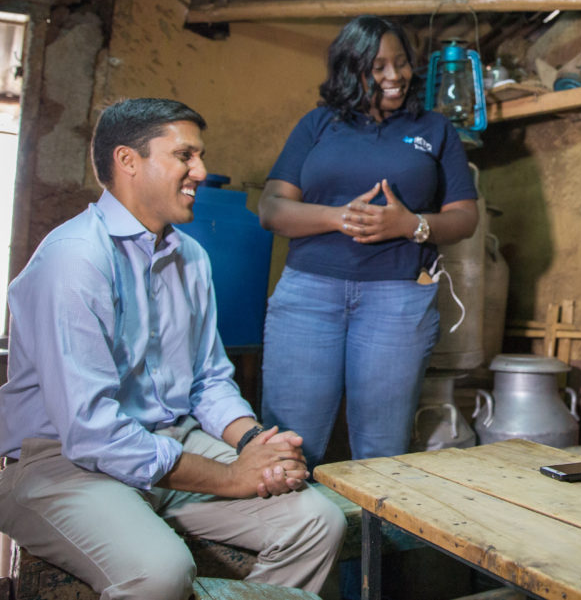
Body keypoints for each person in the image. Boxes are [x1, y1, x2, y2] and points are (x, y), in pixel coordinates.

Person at [0, 98, 346, 599]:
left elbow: (208, 380)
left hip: (168, 442)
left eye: (199, 156)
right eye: (185, 155)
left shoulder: (189, 256)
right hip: (64, 464)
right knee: (159, 570)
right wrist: (231, 477)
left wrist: (253, 445)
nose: (200, 171)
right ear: (128, 161)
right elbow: (92, 433)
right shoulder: (74, 260)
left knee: (319, 521)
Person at [258, 15, 479, 468]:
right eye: (378, 67)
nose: (394, 76)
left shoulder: (435, 129)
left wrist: (410, 225)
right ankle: (294, 537)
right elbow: (272, 209)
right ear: (350, 69)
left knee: (383, 454)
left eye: (401, 63)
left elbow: (465, 217)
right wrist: (338, 218)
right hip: (308, 296)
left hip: (396, 300)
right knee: (290, 447)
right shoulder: (318, 124)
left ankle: (374, 540)